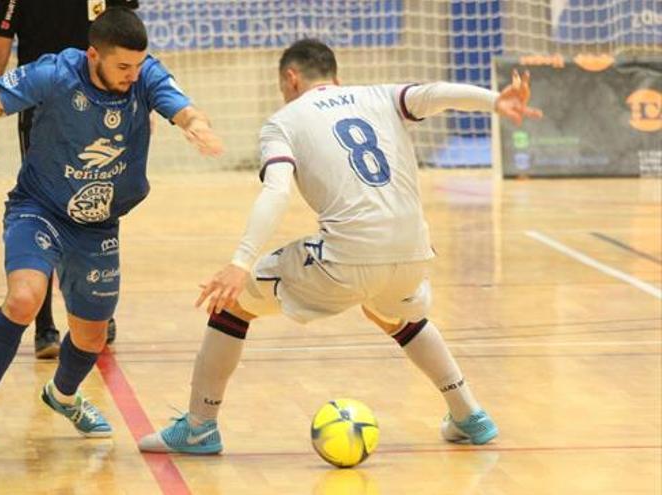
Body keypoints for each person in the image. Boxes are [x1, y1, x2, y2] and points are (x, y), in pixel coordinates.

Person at [138, 39, 541, 454]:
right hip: (414, 253)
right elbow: (436, 93)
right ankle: (469, 414)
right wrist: (496, 101)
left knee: (231, 303)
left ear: (290, 79)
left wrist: (240, 263)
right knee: (392, 312)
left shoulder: (283, 121)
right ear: (336, 77)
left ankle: (200, 427)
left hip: (346, 257)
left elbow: (277, 193)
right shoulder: (380, 95)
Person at [0, 8, 223, 448]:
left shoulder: (145, 75)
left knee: (92, 335)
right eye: (122, 66)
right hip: (39, 207)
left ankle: (63, 396)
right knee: (25, 297)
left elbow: (185, 110)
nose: (131, 75)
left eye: (137, 66)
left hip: (98, 222)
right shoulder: (54, 73)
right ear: (93, 56)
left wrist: (197, 127)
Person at [0, 0, 140, 358]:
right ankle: (45, 325)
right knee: (44, 206)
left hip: (102, 105)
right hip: (42, 108)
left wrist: (139, 102)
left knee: (99, 198)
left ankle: (95, 310)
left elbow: (127, 29)